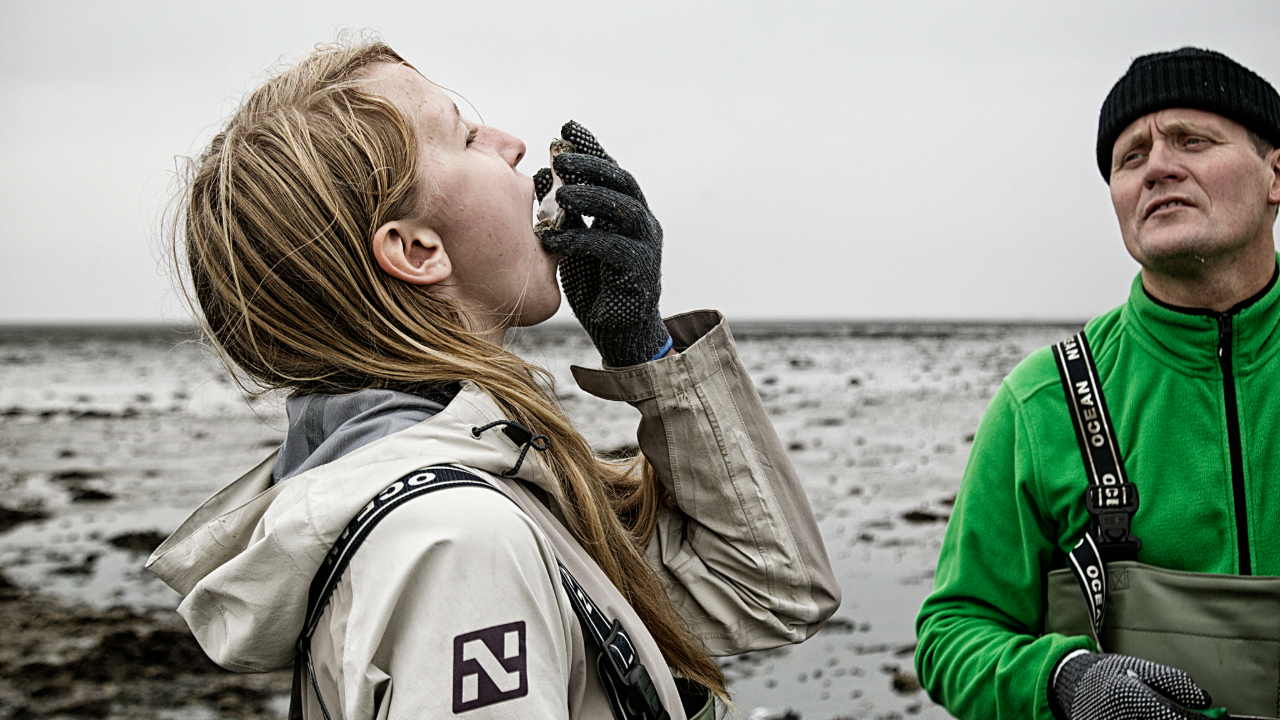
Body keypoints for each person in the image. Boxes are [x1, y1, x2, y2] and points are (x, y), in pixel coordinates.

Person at [146, 37, 839, 720]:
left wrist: (648, 352)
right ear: (417, 250)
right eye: (466, 137)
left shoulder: (482, 487)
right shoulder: (453, 543)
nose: (511, 144)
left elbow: (769, 590)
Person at [915, 47, 1280, 720]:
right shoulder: (1041, 401)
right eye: (1130, 157)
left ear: (1275, 173)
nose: (1159, 167)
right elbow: (951, 633)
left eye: (1193, 141)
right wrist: (1065, 680)